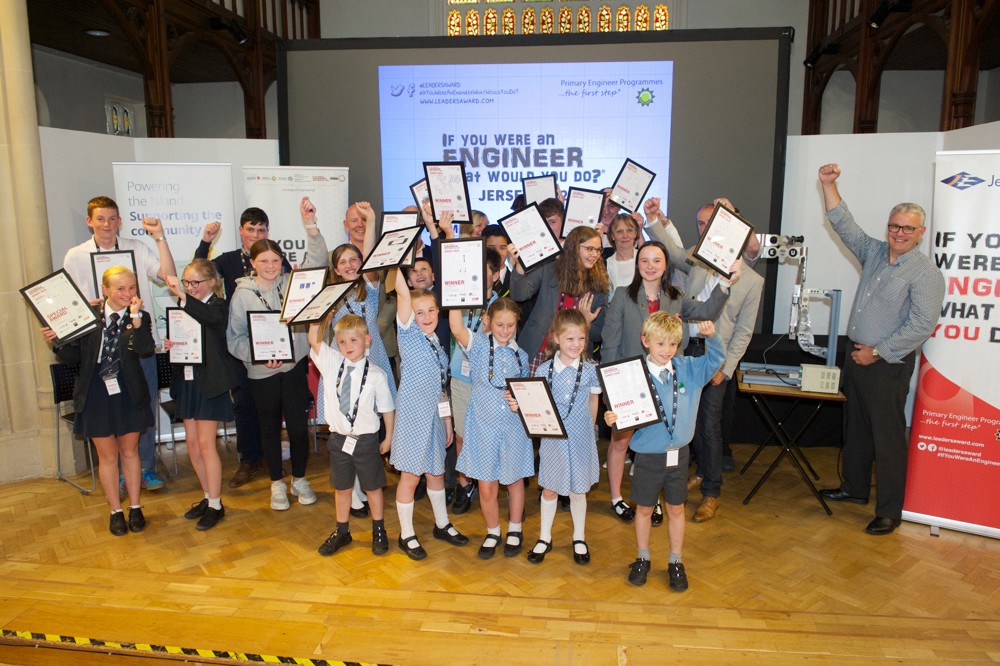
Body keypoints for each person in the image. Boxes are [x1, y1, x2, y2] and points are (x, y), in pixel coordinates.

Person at [816, 163, 944, 536]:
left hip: (887, 364)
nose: (898, 233)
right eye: (894, 225)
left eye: (907, 228)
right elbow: (843, 223)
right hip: (856, 356)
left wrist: (878, 352)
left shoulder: (925, 273)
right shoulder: (874, 252)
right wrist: (829, 183)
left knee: (888, 438)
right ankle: (854, 488)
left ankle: (890, 510)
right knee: (855, 427)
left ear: (920, 233)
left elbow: (922, 325)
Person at [646, 201, 763, 524]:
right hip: (683, 351)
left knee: (709, 427)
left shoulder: (752, 280)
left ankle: (712, 492)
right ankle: (694, 473)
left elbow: (743, 332)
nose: (705, 229)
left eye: (711, 223)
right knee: (685, 419)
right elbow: (671, 250)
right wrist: (654, 220)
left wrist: (724, 369)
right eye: (700, 224)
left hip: (715, 359)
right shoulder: (699, 258)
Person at [600, 241, 732, 524]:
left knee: (660, 446)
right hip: (631, 382)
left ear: (665, 266)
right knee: (621, 443)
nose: (650, 266)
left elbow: (707, 310)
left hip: (666, 381)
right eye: (644, 260)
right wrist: (611, 391)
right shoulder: (623, 296)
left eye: (656, 261)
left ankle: (652, 500)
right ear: (637, 265)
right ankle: (616, 498)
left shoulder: (676, 297)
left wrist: (725, 284)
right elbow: (610, 346)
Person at [63, 198, 177, 492]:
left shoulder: (136, 248)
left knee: (143, 407)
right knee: (110, 413)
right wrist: (85, 306)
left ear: (120, 221)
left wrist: (159, 237)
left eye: (113, 219)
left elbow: (168, 276)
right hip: (102, 351)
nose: (107, 225)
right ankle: (122, 474)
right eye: (101, 219)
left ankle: (146, 467)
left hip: (138, 344)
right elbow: (68, 303)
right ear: (89, 221)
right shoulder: (76, 256)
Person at [604, 314, 723, 591]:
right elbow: (620, 412)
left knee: (676, 508)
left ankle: (675, 561)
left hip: (679, 455)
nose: (666, 350)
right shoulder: (632, 376)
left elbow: (716, 359)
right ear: (645, 341)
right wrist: (613, 418)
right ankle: (643, 557)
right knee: (644, 509)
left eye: (672, 344)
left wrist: (713, 337)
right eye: (660, 343)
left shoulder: (689, 369)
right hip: (648, 455)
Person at [226, 198, 328, 511]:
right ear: (253, 263)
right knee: (268, 429)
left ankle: (299, 478)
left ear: (282, 262)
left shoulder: (293, 284)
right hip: (261, 374)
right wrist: (257, 357)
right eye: (264, 261)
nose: (270, 266)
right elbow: (235, 339)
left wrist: (310, 224)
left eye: (275, 261)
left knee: (298, 429)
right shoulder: (242, 294)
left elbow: (319, 259)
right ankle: (276, 484)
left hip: (293, 368)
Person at [43, 266, 154, 536]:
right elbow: (71, 358)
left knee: (130, 451)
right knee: (107, 456)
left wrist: (136, 318)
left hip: (128, 391)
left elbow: (145, 349)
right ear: (105, 290)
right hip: (95, 392)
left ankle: (136, 507)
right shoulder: (87, 316)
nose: (128, 294)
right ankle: (115, 510)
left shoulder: (139, 316)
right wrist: (57, 340)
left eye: (132, 288)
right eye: (120, 289)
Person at [196, 208, 291, 489]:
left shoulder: (275, 259)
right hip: (241, 346)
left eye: (261, 230)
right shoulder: (226, 260)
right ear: (241, 230)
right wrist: (205, 243)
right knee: (245, 406)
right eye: (251, 230)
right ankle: (248, 459)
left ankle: (269, 458)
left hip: (273, 346)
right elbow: (198, 274)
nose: (256, 235)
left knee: (271, 406)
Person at [510, 310, 602, 565]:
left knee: (577, 490)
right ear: (556, 339)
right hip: (553, 441)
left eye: (581, 339)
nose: (576, 345)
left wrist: (590, 428)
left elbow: (594, 400)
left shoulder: (592, 369)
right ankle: (544, 537)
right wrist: (522, 407)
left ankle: (579, 537)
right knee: (549, 489)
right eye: (570, 339)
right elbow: (535, 402)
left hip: (581, 438)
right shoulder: (544, 369)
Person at [389, 268, 468, 560]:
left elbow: (442, 388)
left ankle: (441, 524)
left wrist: (447, 421)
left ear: (438, 311)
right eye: (418, 312)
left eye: (431, 310)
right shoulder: (408, 334)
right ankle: (406, 534)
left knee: (436, 473)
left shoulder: (437, 343)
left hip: (435, 418)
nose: (426, 316)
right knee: (410, 477)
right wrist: (394, 257)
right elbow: (401, 291)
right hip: (412, 418)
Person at [449, 299, 532, 560]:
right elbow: (454, 326)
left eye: (510, 325)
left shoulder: (522, 355)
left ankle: (515, 529)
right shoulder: (478, 345)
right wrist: (457, 293)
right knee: (486, 485)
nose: (505, 330)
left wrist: (520, 402)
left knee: (515, 480)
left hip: (512, 427)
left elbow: (527, 394)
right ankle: (493, 531)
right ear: (488, 321)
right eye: (499, 324)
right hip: (483, 426)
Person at [309, 313, 395, 556]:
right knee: (342, 488)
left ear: (367, 340)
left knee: (373, 487)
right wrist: (318, 313)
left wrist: (388, 438)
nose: (348, 347)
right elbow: (314, 339)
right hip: (339, 440)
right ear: (337, 343)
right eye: (342, 341)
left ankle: (379, 530)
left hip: (366, 440)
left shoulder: (377, 374)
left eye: (354, 340)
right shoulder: (332, 363)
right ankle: (342, 531)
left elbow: (388, 409)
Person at [162, 261, 237, 530]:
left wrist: (183, 297)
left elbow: (211, 320)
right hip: (188, 382)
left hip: (210, 384)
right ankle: (208, 496)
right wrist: (172, 345)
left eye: (196, 283)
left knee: (207, 445)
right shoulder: (181, 308)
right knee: (193, 445)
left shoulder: (219, 306)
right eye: (187, 282)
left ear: (212, 282)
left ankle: (216, 505)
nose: (191, 288)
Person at [449, 248, 504, 515]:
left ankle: (490, 482)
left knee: (490, 436)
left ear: (495, 275)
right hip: (461, 378)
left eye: (483, 273)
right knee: (461, 436)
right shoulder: (458, 298)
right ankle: (464, 484)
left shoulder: (500, 307)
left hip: (488, 383)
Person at [509, 226, 609, 372]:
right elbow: (519, 294)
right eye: (589, 249)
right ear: (574, 248)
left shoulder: (598, 285)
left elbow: (599, 334)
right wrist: (519, 265)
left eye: (598, 250)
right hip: (536, 354)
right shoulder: (550, 268)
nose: (595, 254)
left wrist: (586, 322)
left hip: (572, 359)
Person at [604, 212, 643, 296]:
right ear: (612, 236)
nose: (625, 236)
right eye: (619, 231)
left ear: (635, 233)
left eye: (629, 230)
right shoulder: (606, 264)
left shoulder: (644, 260)